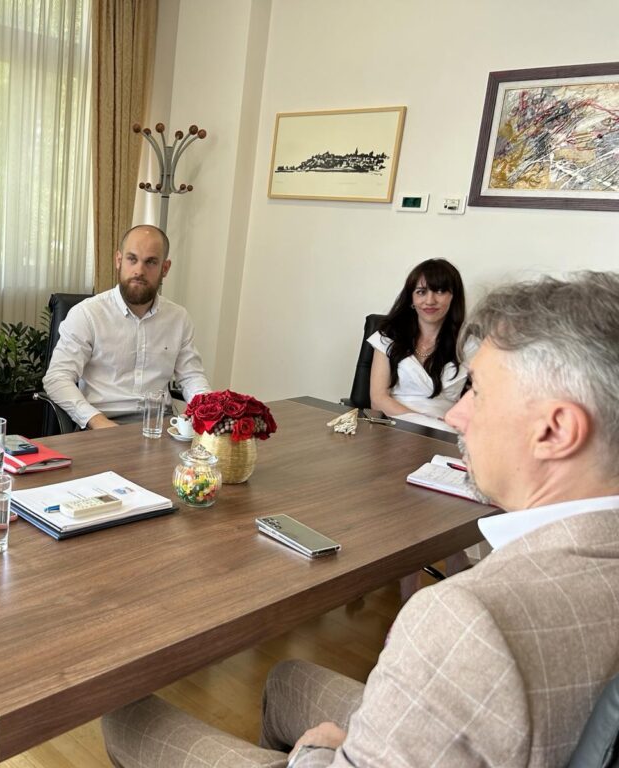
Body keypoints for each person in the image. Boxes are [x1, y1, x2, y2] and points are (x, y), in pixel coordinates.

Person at [102, 271, 619, 768]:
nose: (456, 415)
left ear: (556, 431)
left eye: (478, 392)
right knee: (288, 681)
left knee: (125, 716)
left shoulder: (466, 618)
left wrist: (318, 751)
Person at [42, 224, 210, 428]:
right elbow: (57, 378)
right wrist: (97, 421)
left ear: (165, 268)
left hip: (158, 426)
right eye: (132, 259)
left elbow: (192, 376)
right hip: (102, 425)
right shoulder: (87, 314)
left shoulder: (178, 318)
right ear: (119, 260)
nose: (139, 270)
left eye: (150, 262)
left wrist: (211, 413)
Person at [368, 258, 476, 428]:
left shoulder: (469, 344)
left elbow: (482, 401)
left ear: (453, 296)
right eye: (421, 292)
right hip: (395, 425)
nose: (430, 301)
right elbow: (378, 399)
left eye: (439, 291)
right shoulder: (389, 336)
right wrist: (425, 423)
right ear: (411, 298)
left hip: (446, 430)